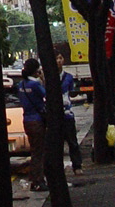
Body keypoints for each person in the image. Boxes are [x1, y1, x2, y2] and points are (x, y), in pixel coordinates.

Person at [17, 57, 47, 192]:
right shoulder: (35, 84)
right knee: (39, 153)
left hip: (27, 121)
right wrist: (43, 79)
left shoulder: (21, 85)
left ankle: (34, 178)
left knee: (34, 150)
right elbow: (46, 94)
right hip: (37, 121)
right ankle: (38, 180)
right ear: (36, 71)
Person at [54, 45, 84, 174]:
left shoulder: (68, 77)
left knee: (72, 141)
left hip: (67, 114)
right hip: (55, 115)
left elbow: (71, 92)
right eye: (56, 58)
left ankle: (77, 166)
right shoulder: (48, 77)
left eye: (60, 58)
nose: (59, 61)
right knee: (57, 143)